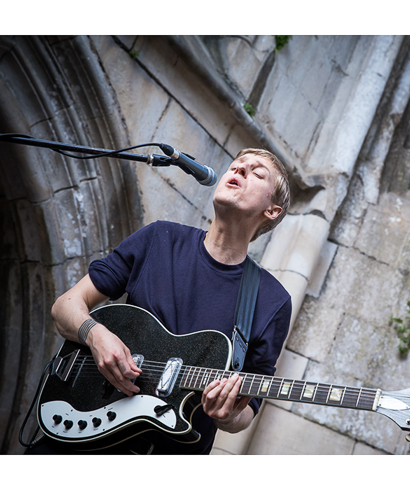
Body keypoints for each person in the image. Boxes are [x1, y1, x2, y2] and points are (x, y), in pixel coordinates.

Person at [27, 148, 292, 454]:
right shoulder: (159, 238)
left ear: (272, 211)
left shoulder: (272, 300)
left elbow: (247, 410)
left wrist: (230, 414)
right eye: (237, 166)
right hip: (79, 437)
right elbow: (65, 307)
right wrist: (96, 335)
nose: (241, 171)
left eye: (257, 173)